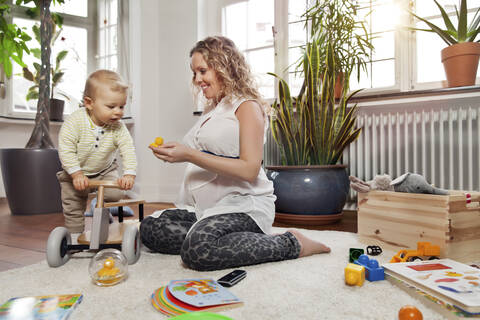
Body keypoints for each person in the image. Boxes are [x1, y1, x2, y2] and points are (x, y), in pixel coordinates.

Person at [140, 36, 330, 271]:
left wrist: (188, 154)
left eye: (202, 71)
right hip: (208, 209)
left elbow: (249, 170)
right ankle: (214, 236)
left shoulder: (246, 106)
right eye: (194, 73)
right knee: (150, 227)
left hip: (244, 205)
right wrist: (175, 152)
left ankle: (292, 243)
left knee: (198, 249)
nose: (197, 79)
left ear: (223, 66)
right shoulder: (214, 109)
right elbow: (200, 151)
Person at [57, 69, 137, 233]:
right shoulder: (75, 122)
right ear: (89, 103)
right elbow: (66, 149)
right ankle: (73, 238)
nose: (118, 112)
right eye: (111, 106)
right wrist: (76, 174)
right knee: (73, 207)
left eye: (122, 106)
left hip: (104, 170)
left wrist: (129, 173)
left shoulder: (118, 128)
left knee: (115, 194)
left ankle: (101, 209)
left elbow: (127, 149)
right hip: (75, 173)